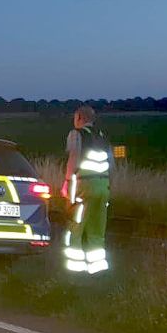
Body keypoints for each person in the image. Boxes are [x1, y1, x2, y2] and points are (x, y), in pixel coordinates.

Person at [60, 105, 112, 274]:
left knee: (75, 225)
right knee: (97, 229)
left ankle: (74, 270)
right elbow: (112, 165)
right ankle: (97, 269)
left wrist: (67, 182)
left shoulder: (76, 134)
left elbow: (73, 157)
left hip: (83, 186)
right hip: (103, 186)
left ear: (79, 118)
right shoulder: (103, 136)